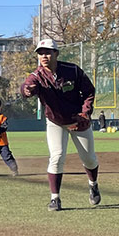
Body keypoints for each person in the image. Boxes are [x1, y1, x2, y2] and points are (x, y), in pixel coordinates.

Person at [21, 37, 99, 210]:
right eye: (40, 53)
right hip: (55, 121)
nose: (44, 56)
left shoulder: (73, 70)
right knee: (56, 157)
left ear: (56, 53)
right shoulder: (37, 76)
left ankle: (93, 184)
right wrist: (27, 90)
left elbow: (89, 91)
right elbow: (27, 86)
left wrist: (85, 112)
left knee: (89, 159)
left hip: (78, 120)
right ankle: (55, 198)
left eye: (47, 52)